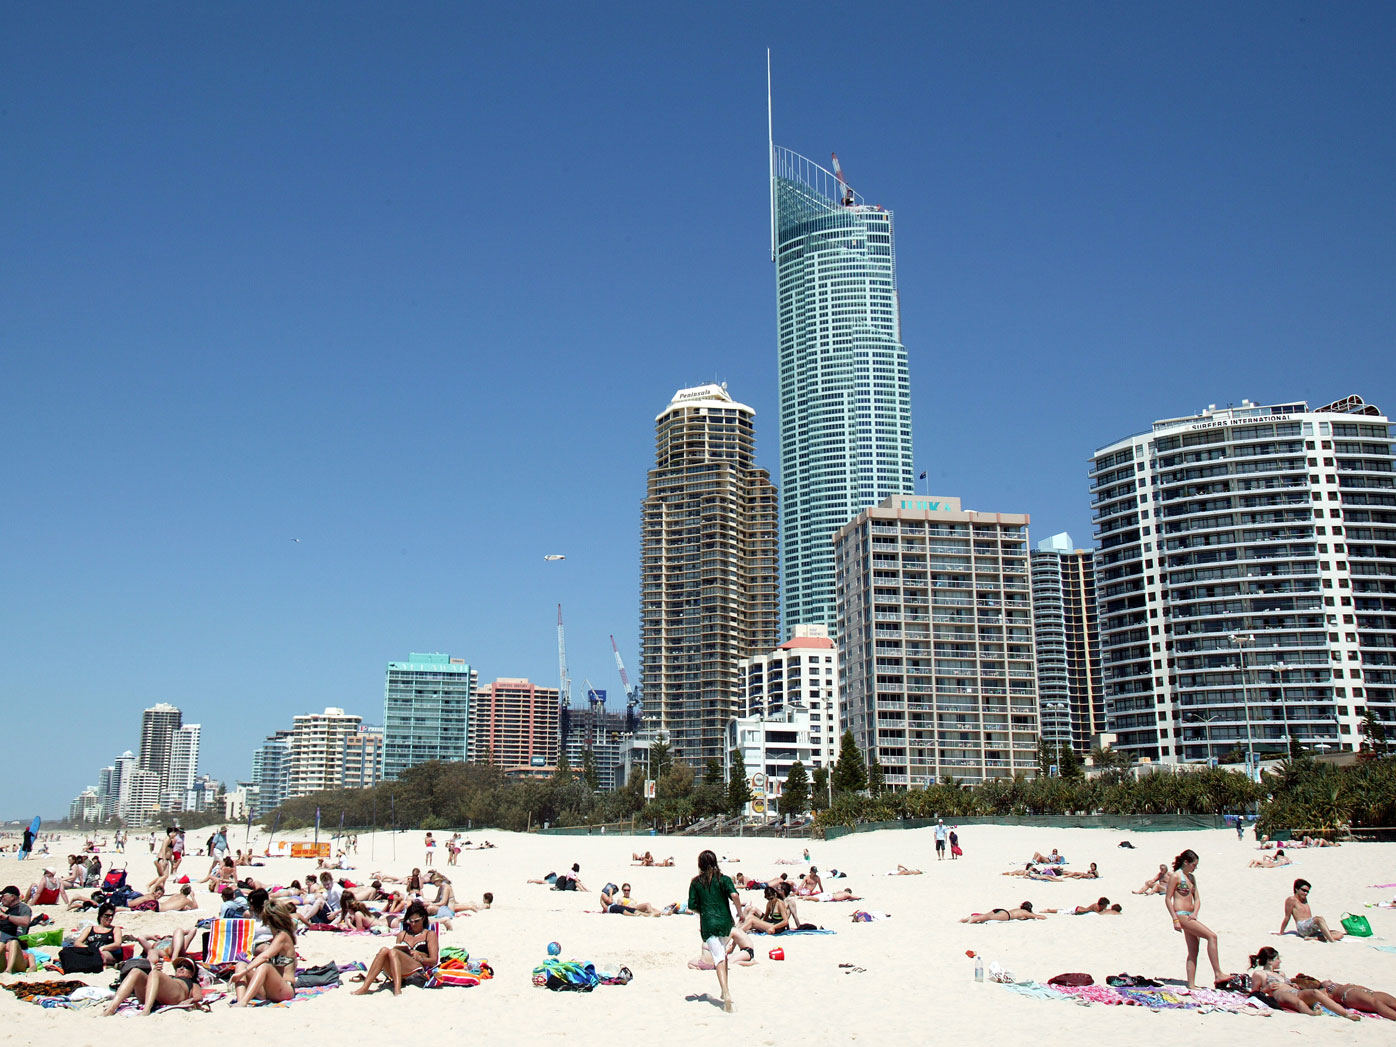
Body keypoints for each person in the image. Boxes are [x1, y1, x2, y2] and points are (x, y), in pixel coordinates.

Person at [687, 850, 753, 1013]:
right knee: (722, 954)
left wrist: (704, 911)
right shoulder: (723, 879)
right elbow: (734, 895)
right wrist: (740, 912)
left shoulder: (695, 882)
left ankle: (726, 992)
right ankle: (725, 991)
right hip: (725, 923)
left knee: (718, 959)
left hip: (709, 925)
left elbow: (692, 906)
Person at [1166, 849, 1226, 990]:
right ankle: (1218, 973)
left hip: (1190, 914)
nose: (1195, 868)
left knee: (1194, 951)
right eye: (1193, 865)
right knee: (1212, 936)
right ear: (1186, 862)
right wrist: (1175, 919)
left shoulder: (1192, 878)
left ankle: (1191, 984)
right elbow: (1168, 899)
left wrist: (1196, 912)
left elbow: (1197, 898)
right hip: (1181, 914)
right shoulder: (1176, 876)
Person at [1249, 946, 1359, 1020]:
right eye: (1278, 959)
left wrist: (1292, 984)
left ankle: (1345, 1013)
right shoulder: (1260, 974)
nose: (1280, 961)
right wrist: (1267, 988)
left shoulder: (1281, 973)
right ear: (1270, 960)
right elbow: (1254, 994)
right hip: (1280, 994)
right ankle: (1312, 1014)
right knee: (1299, 1003)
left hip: (1295, 991)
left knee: (1316, 992)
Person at [353, 901, 438, 995]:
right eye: (411, 921)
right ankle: (365, 987)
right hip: (398, 967)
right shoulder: (402, 934)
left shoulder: (429, 934)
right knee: (384, 950)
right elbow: (395, 953)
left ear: (423, 918)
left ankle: (397, 990)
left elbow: (434, 960)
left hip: (416, 967)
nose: (413, 924)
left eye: (416, 921)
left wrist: (420, 958)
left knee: (393, 952)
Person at [231, 899, 298, 1005]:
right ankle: (240, 1001)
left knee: (265, 966)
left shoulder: (283, 936)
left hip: (285, 989)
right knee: (241, 964)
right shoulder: (276, 937)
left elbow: (264, 956)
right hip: (270, 989)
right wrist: (242, 970)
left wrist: (243, 973)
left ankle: (243, 1002)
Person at [101, 954, 205, 1015]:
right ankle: (111, 1008)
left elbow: (198, 997)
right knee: (136, 971)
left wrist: (190, 1000)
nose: (181, 968)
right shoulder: (169, 977)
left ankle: (146, 1010)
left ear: (192, 974)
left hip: (175, 996)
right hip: (154, 997)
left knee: (155, 973)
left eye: (187, 967)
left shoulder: (193, 983)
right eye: (179, 966)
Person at [1280, 878, 1345, 941]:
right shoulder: (1291, 900)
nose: (1306, 893)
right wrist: (1281, 932)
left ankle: (1313, 938)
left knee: (1339, 934)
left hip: (1311, 927)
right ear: (1296, 889)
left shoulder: (1304, 899)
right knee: (1319, 919)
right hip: (1302, 927)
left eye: (1307, 891)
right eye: (1303, 890)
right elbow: (1287, 917)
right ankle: (1332, 941)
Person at [74, 902, 126, 967]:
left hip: (107, 953)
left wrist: (103, 948)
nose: (110, 918)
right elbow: (77, 942)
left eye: (111, 916)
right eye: (107, 916)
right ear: (101, 915)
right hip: (91, 951)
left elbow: (117, 944)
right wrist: (89, 948)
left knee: (101, 955)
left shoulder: (115, 929)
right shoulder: (90, 929)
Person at [961, 902, 1046, 923]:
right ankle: (972, 919)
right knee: (988, 918)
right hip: (1006, 915)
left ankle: (966, 919)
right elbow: (1039, 916)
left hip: (1001, 910)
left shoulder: (1018, 909)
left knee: (986, 915)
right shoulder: (1025, 913)